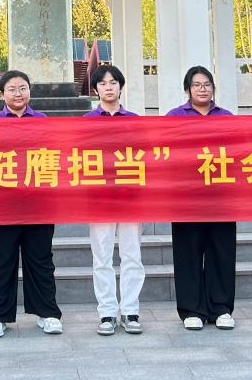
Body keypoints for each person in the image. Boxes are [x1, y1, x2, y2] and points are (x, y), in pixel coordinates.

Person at [0, 70, 63, 338]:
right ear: (1, 94)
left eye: (23, 88)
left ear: (29, 91)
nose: (18, 94)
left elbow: (55, 156)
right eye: (12, 89)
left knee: (41, 260)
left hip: (38, 203)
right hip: (1, 204)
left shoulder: (42, 121)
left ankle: (47, 313)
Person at [165, 66, 237, 332]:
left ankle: (221, 308)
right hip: (186, 198)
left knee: (222, 253)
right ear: (188, 89)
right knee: (188, 254)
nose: (202, 89)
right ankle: (191, 310)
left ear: (213, 88)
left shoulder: (226, 117)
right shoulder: (174, 117)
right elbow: (167, 152)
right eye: (196, 85)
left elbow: (238, 152)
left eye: (207, 84)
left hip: (221, 197)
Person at [84, 65, 143, 336]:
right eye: (103, 83)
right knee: (102, 257)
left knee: (132, 255)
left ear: (121, 86)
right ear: (95, 89)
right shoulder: (86, 122)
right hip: (99, 198)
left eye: (113, 82)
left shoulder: (135, 120)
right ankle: (107, 312)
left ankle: (130, 310)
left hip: (130, 197)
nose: (108, 87)